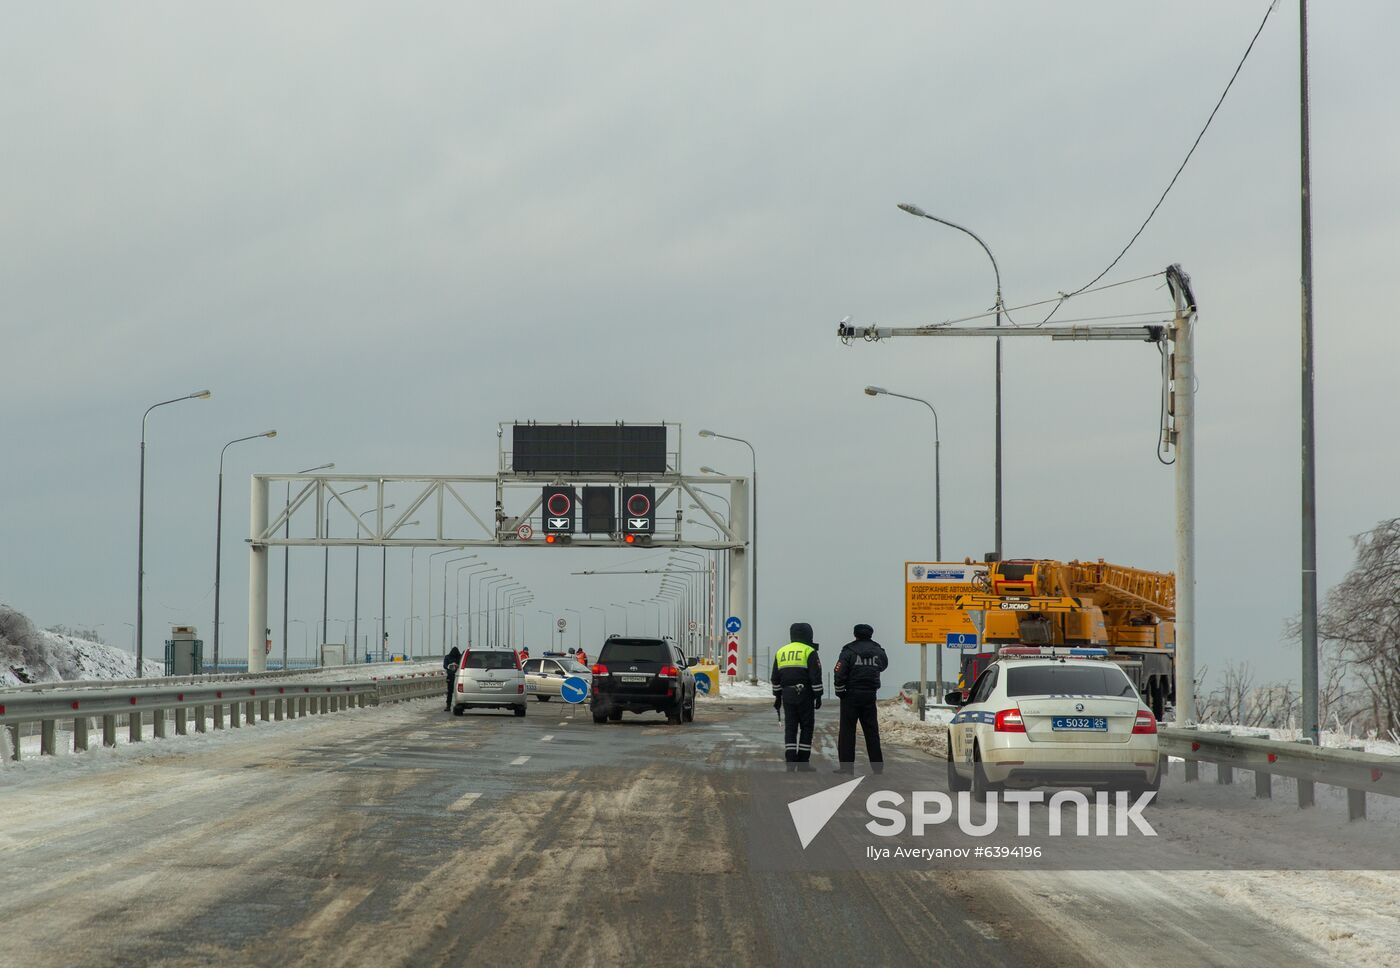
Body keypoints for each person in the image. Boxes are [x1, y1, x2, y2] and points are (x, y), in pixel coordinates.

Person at [834, 623, 888, 773]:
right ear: (871, 634)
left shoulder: (848, 650)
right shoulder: (878, 650)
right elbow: (884, 665)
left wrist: (840, 691)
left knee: (847, 732)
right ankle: (877, 767)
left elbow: (839, 672)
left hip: (850, 695)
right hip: (870, 694)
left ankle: (846, 768)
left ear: (855, 634)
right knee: (871, 731)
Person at [770, 622, 823, 769]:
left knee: (791, 728)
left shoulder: (781, 652)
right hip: (805, 695)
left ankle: (791, 762)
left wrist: (777, 696)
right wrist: (818, 695)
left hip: (787, 695)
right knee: (806, 727)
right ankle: (803, 763)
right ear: (809, 634)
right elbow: (815, 676)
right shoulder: (810, 651)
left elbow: (775, 677)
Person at [443, 645, 462, 712]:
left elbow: (445, 666)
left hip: (451, 677)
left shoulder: (447, 657)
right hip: (459, 677)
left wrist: (450, 666)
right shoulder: (460, 657)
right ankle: (459, 705)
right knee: (459, 692)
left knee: (450, 692)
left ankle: (448, 706)